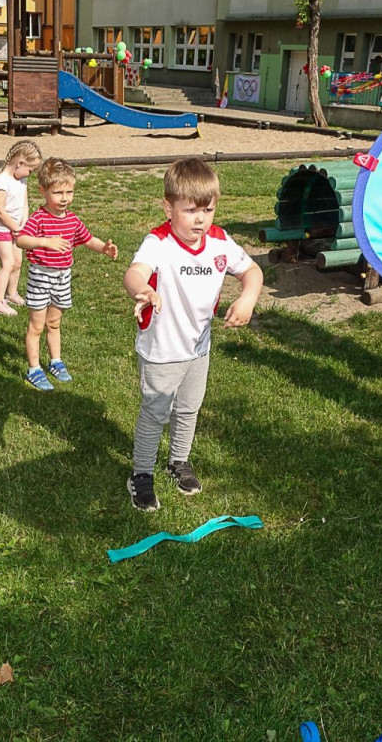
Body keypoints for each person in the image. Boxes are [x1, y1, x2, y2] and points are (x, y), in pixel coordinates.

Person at [122, 159, 263, 511]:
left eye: (208, 209)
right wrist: (143, 291)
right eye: (190, 211)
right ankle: (140, 474)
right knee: (155, 413)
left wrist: (247, 299)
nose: (200, 219)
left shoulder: (219, 242)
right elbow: (134, 273)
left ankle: (178, 461)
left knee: (188, 409)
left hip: (198, 348)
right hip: (161, 350)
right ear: (168, 207)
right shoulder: (158, 242)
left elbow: (253, 271)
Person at [14, 158, 118, 390]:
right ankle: (33, 369)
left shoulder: (71, 219)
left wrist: (103, 248)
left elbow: (87, 239)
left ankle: (55, 361)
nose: (64, 198)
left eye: (69, 192)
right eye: (58, 192)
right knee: (37, 325)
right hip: (41, 277)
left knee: (54, 322)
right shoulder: (39, 218)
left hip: (62, 278)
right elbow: (20, 239)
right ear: (43, 191)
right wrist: (44, 242)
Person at [0, 141, 43, 316]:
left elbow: (24, 203)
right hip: (1, 229)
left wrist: (24, 224)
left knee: (18, 262)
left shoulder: (21, 180)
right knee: (8, 263)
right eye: (30, 170)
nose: (29, 174)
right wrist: (14, 227)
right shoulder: (1, 181)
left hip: (16, 229)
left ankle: (11, 293)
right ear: (19, 163)